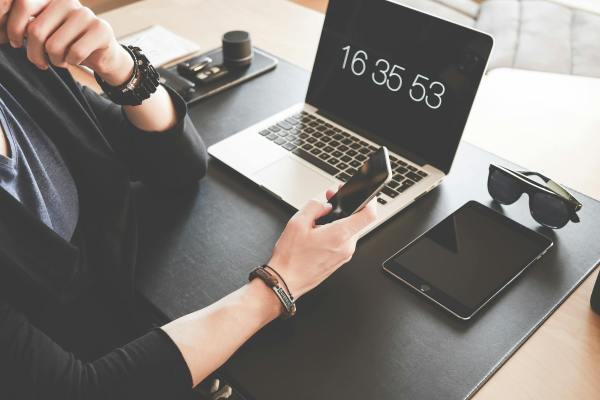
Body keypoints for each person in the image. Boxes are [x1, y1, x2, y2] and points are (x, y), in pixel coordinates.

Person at [0, 1, 377, 399]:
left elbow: (177, 165)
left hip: (124, 317)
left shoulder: (16, 60)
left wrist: (118, 65)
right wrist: (280, 284)